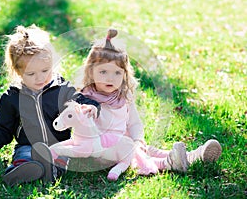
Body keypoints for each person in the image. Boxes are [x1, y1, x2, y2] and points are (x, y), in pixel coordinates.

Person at [80, 29, 222, 181]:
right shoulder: (86, 99)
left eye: (117, 73)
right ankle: (169, 163)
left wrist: (137, 141)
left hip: (127, 144)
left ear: (124, 74)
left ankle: (194, 155)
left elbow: (134, 123)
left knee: (150, 150)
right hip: (105, 153)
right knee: (141, 157)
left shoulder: (123, 98)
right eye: (103, 72)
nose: (110, 78)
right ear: (91, 72)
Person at [0, 24, 100, 186]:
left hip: (60, 144)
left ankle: (52, 169)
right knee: (25, 155)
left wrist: (91, 106)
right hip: (28, 145)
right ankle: (22, 170)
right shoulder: (13, 97)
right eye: (31, 74)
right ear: (18, 71)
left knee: (63, 157)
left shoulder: (61, 89)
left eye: (45, 70)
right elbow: (3, 126)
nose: (40, 78)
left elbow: (80, 99)